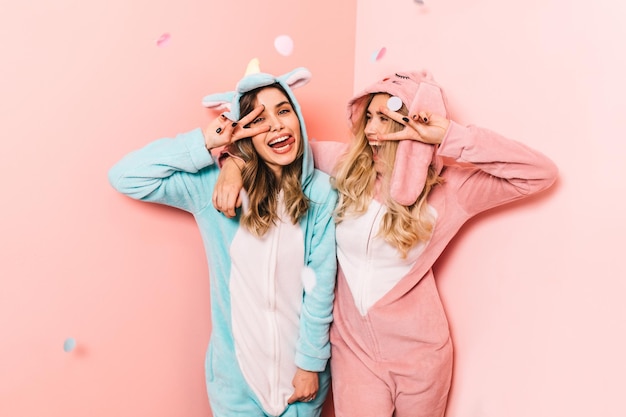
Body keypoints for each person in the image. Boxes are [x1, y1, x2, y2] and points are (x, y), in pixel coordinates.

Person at [215, 70, 558, 417]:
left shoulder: (451, 188)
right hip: (354, 354)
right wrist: (233, 163)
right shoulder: (343, 164)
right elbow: (280, 152)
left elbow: (539, 172)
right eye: (369, 117)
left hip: (421, 356)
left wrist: (449, 135)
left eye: (387, 119)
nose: (372, 131)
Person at [108, 67, 337, 417]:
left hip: (301, 384)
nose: (275, 125)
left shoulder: (320, 192)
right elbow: (126, 176)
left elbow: (320, 290)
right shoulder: (211, 188)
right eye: (259, 118)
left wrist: (310, 366)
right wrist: (211, 142)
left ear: (299, 119)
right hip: (236, 387)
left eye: (284, 110)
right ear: (242, 130)